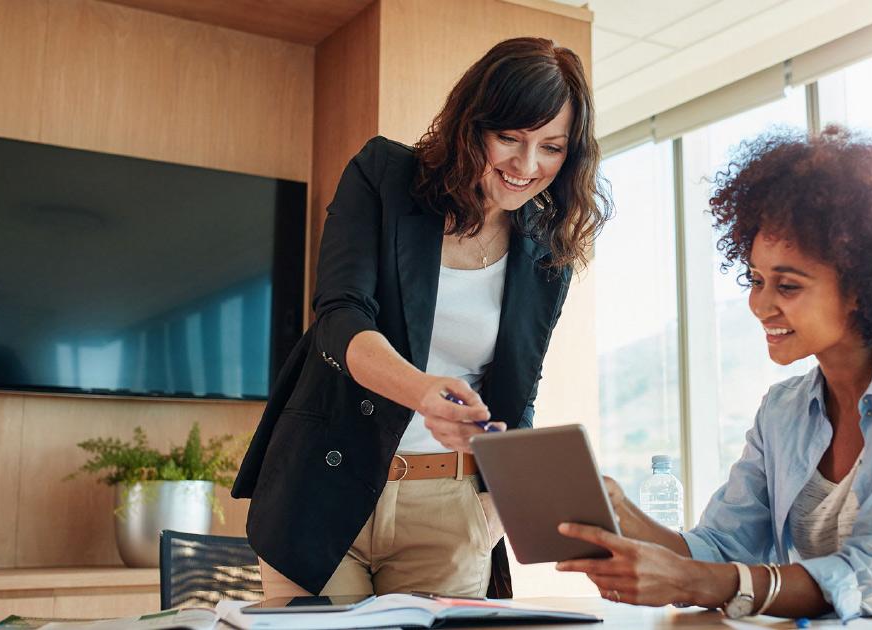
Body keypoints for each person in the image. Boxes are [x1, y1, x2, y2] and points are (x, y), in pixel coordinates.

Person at [556, 126, 872, 621]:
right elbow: (723, 549)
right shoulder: (784, 411)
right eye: (756, 280)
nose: (761, 305)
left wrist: (693, 580)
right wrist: (625, 517)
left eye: (787, 285)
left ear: (861, 288)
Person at [231, 37, 609, 599]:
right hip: (323, 487)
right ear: (471, 125)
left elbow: (514, 393)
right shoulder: (385, 178)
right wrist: (422, 391)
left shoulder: (544, 253)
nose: (527, 166)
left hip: (450, 511)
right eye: (508, 138)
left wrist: (495, 514)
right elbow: (339, 317)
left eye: (551, 147)